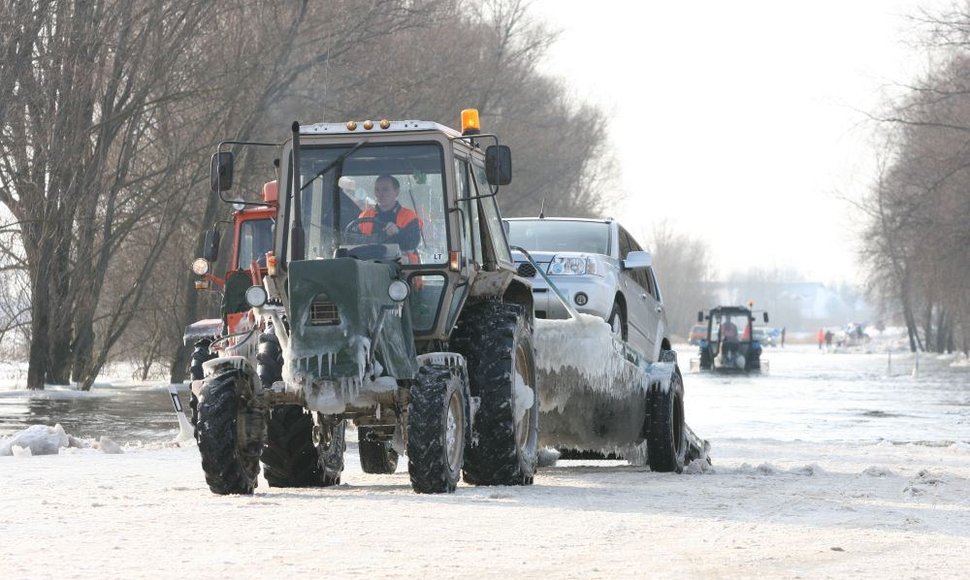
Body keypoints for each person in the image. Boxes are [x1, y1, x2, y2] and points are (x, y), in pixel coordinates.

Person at [356, 174, 421, 263]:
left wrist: (398, 232)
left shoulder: (408, 216)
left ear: (396, 192)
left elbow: (413, 243)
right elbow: (352, 242)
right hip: (369, 267)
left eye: (385, 189)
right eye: (377, 190)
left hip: (403, 269)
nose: (380, 194)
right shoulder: (364, 217)